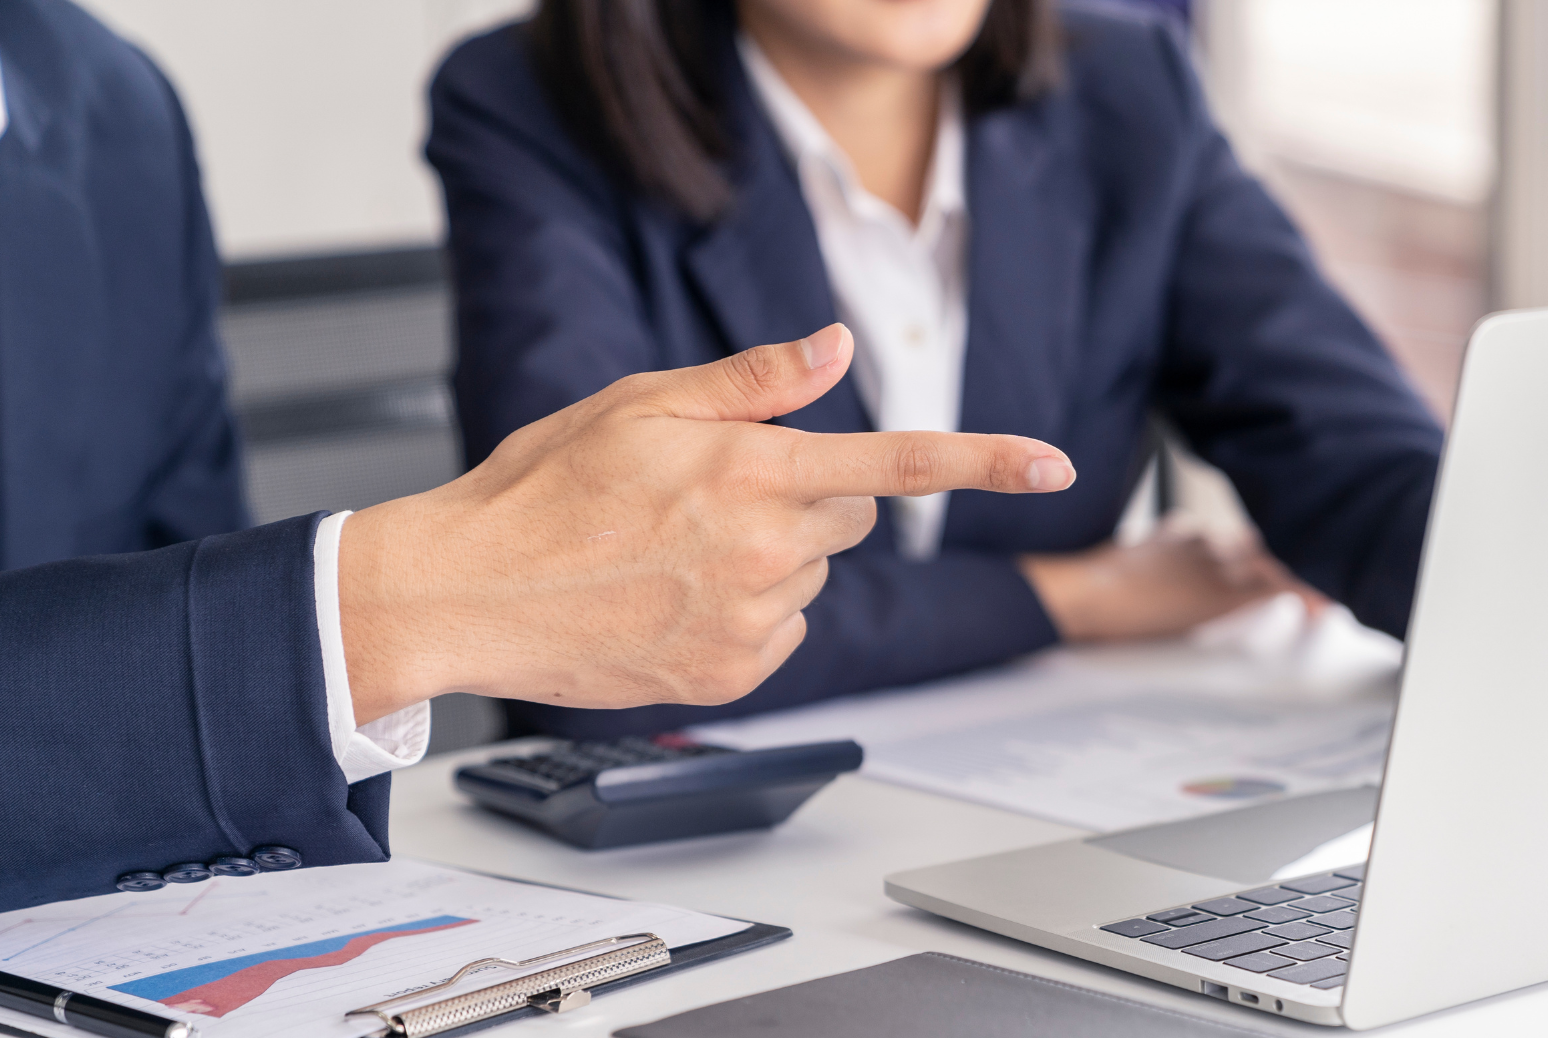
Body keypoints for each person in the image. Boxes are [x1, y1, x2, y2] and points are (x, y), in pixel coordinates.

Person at [0, 1, 1073, 915]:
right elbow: (600, 601)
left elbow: (181, 586)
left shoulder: (108, 98)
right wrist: (395, 607)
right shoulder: (530, 97)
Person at [426, 0, 1446, 743]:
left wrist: (1520, 595)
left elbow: (1354, 464)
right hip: (689, 840)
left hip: (1040, 781)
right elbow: (584, 599)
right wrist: (1064, 597)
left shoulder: (1128, 84)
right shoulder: (528, 102)